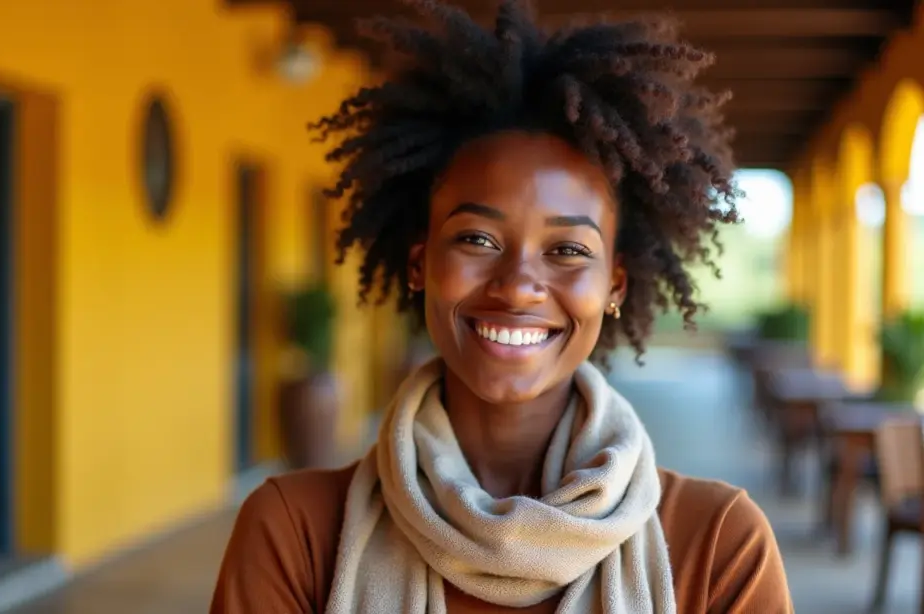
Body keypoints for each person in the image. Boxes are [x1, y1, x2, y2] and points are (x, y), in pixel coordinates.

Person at [211, 0, 792, 612]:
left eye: (568, 248)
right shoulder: (296, 534)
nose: (518, 286)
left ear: (615, 287)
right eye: (477, 239)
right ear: (420, 264)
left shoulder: (717, 544)